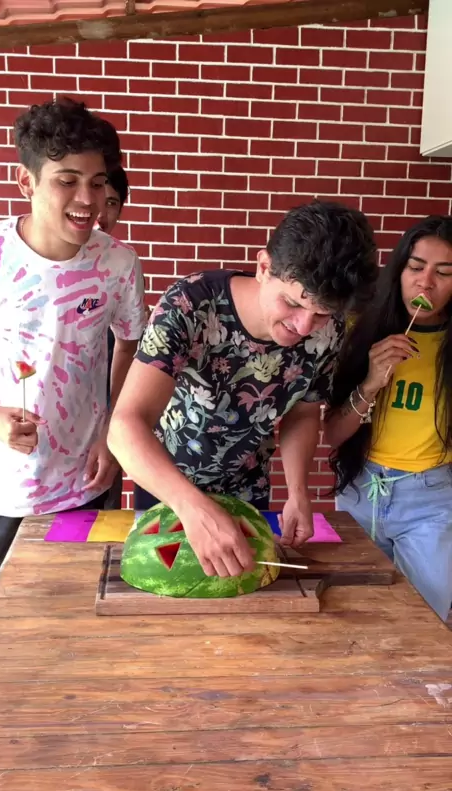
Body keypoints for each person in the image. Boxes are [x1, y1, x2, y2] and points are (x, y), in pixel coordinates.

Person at [108, 200, 378, 580]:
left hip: (249, 487)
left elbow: (302, 412)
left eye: (322, 314)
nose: (304, 327)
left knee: (242, 594)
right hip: (166, 484)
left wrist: (297, 491)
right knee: (169, 592)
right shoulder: (189, 305)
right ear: (264, 267)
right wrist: (194, 509)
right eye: (292, 303)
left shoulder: (328, 332)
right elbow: (124, 427)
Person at [0, 97, 147, 618]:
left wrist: (110, 429)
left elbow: (129, 342)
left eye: (97, 182)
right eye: (66, 181)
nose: (86, 199)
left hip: (85, 476)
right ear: (26, 182)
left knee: (73, 610)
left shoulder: (118, 262)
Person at [324, 215, 452, 622]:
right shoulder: (358, 331)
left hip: (432, 498)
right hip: (361, 488)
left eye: (444, 273)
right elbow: (332, 434)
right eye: (416, 267)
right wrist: (371, 383)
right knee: (355, 614)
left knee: (425, 620)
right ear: (398, 271)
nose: (425, 284)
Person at [97, 166, 130, 509]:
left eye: (111, 202)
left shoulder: (122, 268)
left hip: (103, 429)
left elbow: (129, 350)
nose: (99, 211)